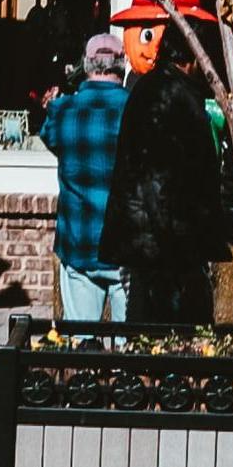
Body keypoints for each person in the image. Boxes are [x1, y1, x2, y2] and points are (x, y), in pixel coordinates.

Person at [109, 33, 232, 327]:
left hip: (148, 234)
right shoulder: (176, 97)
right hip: (166, 238)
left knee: (146, 316)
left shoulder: (149, 90)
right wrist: (177, 241)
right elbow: (161, 177)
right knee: (169, 323)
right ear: (191, 59)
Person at [40, 27, 133, 326]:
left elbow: (51, 140)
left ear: (87, 65)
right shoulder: (137, 108)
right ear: (123, 65)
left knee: (81, 348)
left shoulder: (64, 110)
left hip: (79, 241)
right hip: (125, 247)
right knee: (131, 352)